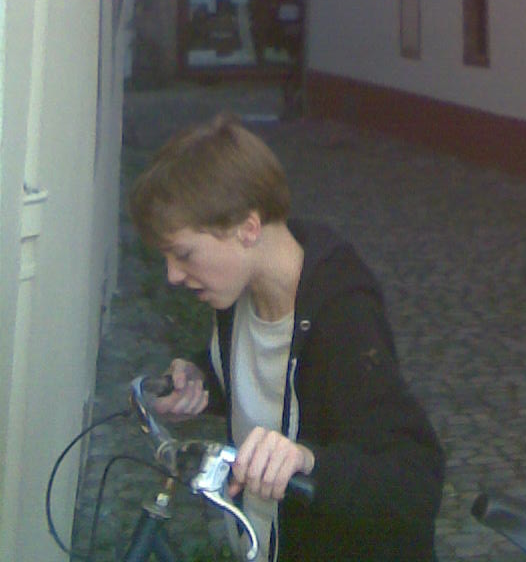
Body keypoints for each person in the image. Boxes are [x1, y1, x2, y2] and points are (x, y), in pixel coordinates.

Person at [129, 114, 444, 562]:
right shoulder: (237, 291)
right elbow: (275, 376)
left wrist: (306, 461)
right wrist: (203, 376)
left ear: (248, 228)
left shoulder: (341, 314)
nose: (173, 275)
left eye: (183, 254)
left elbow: (414, 480)